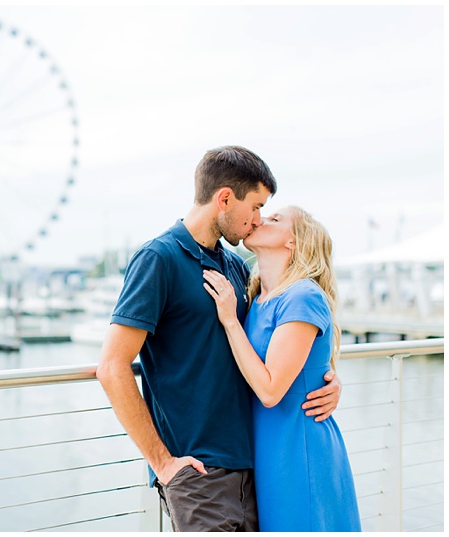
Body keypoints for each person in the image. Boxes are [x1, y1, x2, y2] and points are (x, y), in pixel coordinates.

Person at [96, 146, 342, 532]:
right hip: (198, 472)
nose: (258, 220)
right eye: (256, 207)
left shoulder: (234, 267)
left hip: (254, 466)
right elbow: (111, 367)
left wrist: (325, 380)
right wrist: (162, 463)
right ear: (225, 198)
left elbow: (267, 348)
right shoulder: (158, 258)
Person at [202, 205, 361, 531]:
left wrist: (230, 320)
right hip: (267, 453)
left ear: (294, 242)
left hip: (299, 453)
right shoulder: (257, 296)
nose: (260, 219)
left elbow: (271, 389)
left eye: (275, 219)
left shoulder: (302, 296)